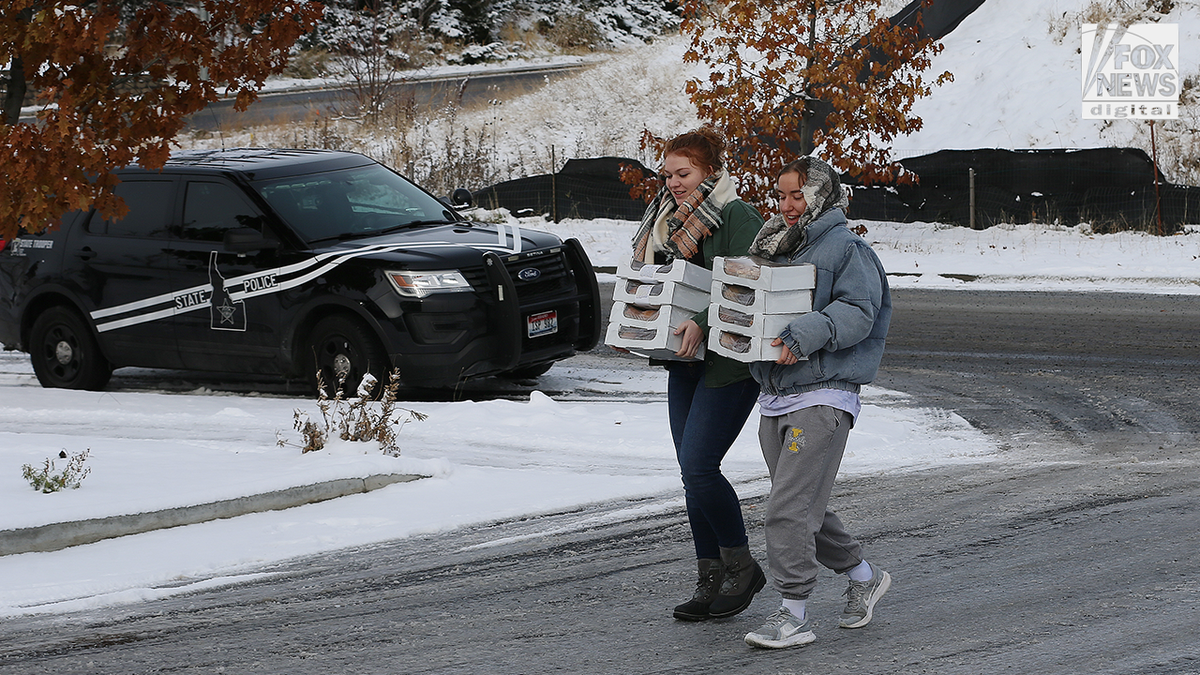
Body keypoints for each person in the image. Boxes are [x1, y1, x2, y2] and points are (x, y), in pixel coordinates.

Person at [741, 156, 893, 649]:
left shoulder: (848, 249)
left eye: (797, 196)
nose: (787, 206)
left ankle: (793, 613)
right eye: (781, 195)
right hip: (776, 395)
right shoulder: (771, 246)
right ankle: (865, 576)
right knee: (804, 504)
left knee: (787, 507)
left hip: (824, 394)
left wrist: (805, 333)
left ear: (821, 196)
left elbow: (858, 312)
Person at [628, 127, 767, 622]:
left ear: (710, 170)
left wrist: (703, 322)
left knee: (700, 465)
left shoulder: (735, 215)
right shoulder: (666, 222)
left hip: (728, 362)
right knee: (691, 475)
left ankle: (741, 565)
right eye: (667, 175)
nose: (673, 183)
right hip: (684, 361)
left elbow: (748, 284)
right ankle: (711, 577)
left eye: (683, 173)